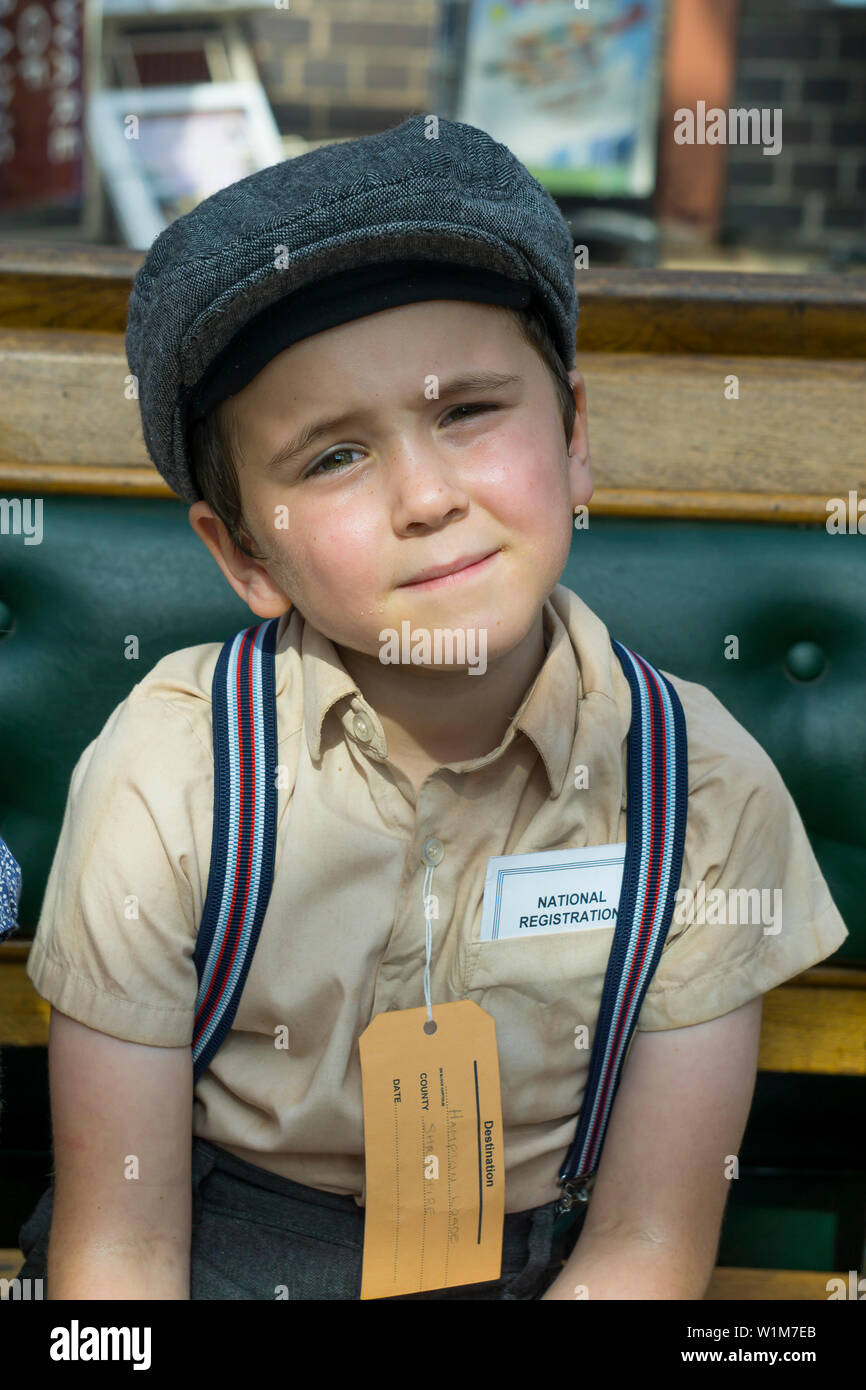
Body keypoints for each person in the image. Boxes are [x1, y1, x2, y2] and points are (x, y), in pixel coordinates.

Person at [15, 115, 848, 1301]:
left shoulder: (701, 791)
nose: (425, 495)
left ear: (571, 439)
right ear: (245, 554)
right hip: (217, 1256)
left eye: (466, 410)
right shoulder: (170, 768)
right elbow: (121, 1252)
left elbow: (645, 1250)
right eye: (331, 457)